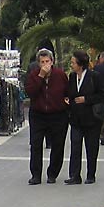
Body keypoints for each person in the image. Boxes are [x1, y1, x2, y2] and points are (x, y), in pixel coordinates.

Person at [24, 48, 69, 184]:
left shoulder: (60, 75)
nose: (45, 64)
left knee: (58, 145)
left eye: (47, 61)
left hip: (57, 114)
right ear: (38, 63)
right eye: (42, 62)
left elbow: (67, 92)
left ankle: (52, 173)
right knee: (36, 144)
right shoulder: (34, 75)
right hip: (38, 114)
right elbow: (30, 92)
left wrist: (66, 104)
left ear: (52, 62)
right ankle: (36, 175)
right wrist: (41, 77)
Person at [64, 49, 104, 185]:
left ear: (80, 64)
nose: (71, 65)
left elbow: (102, 95)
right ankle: (74, 175)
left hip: (92, 119)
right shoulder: (72, 76)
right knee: (75, 147)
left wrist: (86, 99)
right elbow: (70, 93)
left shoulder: (94, 76)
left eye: (73, 62)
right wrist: (68, 100)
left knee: (91, 147)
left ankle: (90, 174)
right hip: (76, 119)